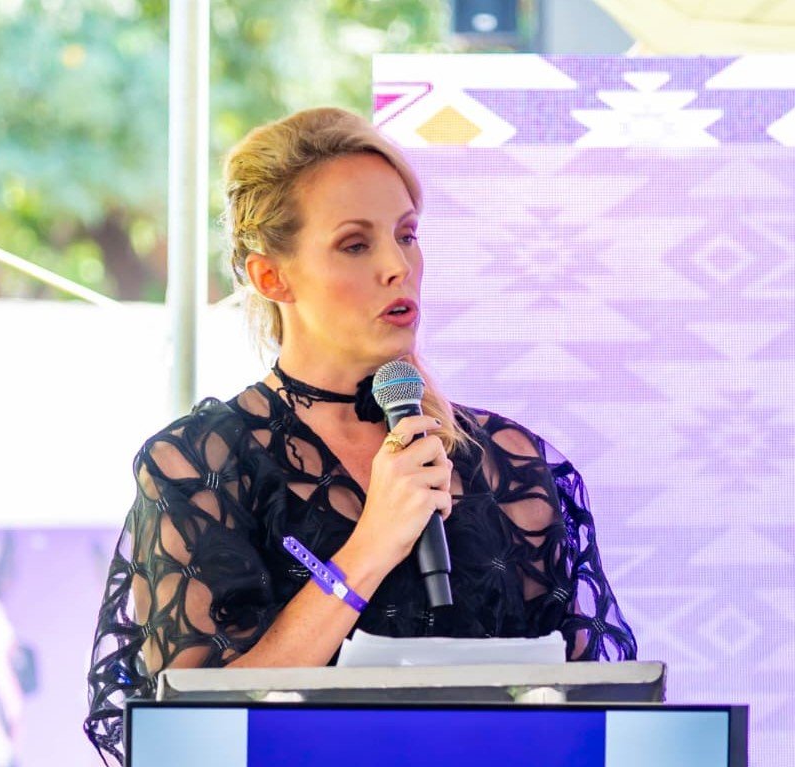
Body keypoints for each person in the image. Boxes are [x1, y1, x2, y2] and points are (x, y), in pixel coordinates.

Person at [84, 107, 637, 764]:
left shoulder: (509, 462)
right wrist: (371, 545)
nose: (397, 266)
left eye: (407, 235)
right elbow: (192, 739)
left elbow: (592, 713)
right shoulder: (197, 466)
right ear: (271, 276)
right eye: (355, 244)